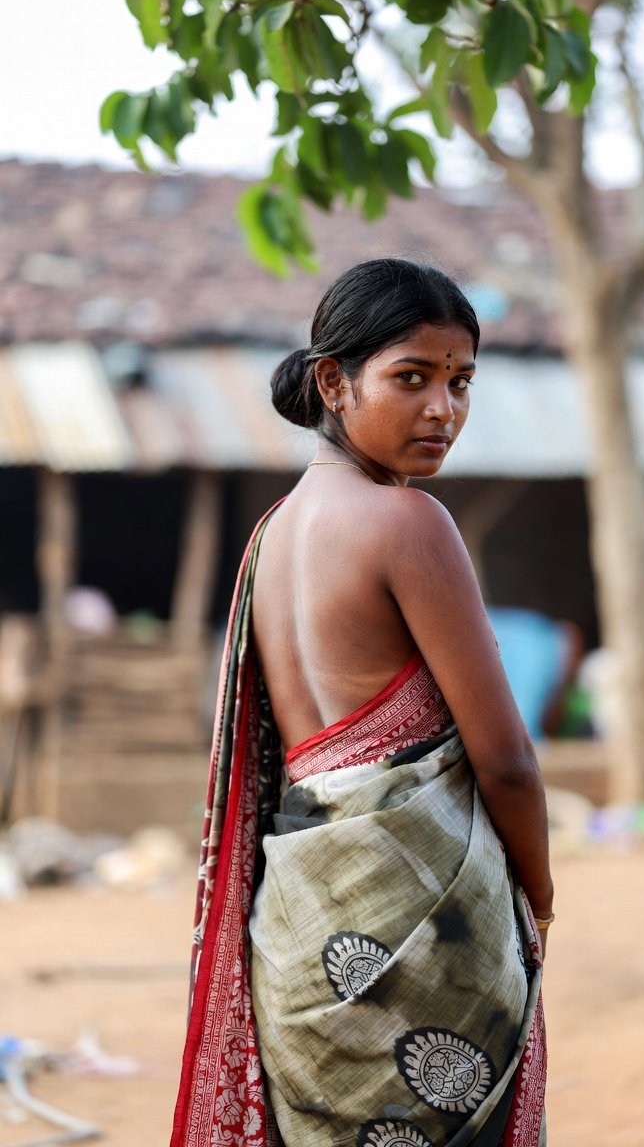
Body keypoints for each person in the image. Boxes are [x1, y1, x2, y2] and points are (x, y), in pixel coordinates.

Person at [170, 259, 554, 1147]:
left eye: (461, 382)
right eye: (412, 378)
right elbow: (506, 762)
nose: (443, 410)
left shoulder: (269, 538)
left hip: (301, 944)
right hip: (420, 942)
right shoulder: (410, 524)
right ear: (333, 383)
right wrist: (536, 895)